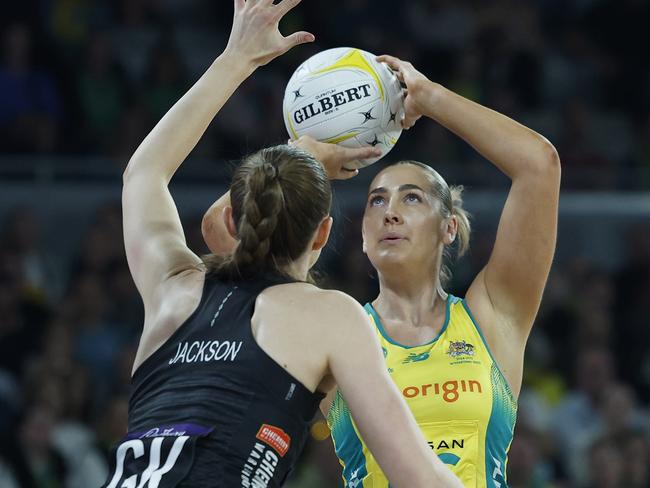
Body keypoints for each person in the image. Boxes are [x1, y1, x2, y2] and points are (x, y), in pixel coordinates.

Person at [103, 1, 463, 487]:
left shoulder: (173, 288)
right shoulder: (330, 316)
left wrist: (237, 58)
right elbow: (423, 480)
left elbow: (143, 173)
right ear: (323, 233)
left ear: (232, 215)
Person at [204, 55, 561, 486]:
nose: (389, 212)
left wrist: (428, 97)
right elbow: (223, 230)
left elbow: (539, 165)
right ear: (362, 236)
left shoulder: (492, 317)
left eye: (411, 198)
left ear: (449, 226)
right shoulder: (336, 331)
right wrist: (304, 153)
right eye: (376, 200)